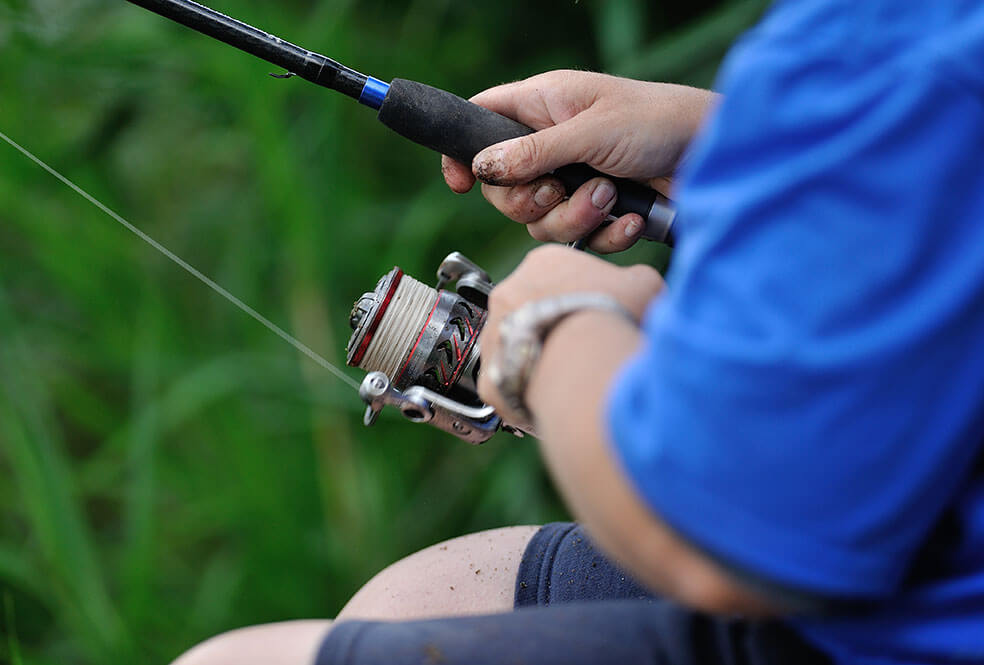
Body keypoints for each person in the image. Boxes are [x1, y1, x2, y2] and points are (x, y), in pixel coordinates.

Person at [172, 0, 984, 663]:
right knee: (417, 600)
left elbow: (720, 544)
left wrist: (552, 331)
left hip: (907, 617)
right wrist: (719, 139)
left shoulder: (893, 48)